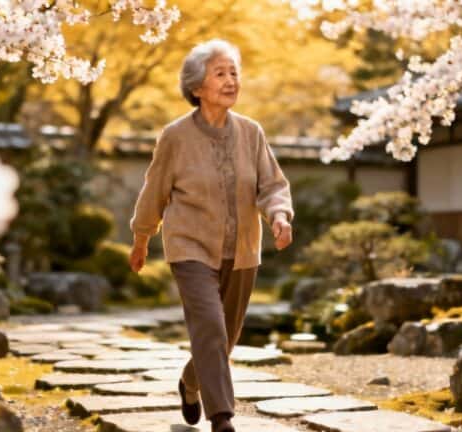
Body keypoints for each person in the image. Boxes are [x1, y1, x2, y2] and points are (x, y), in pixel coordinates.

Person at [128, 39, 293, 432]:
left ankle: (190, 381)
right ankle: (222, 417)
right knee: (211, 329)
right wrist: (141, 238)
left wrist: (280, 216)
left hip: (243, 251)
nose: (231, 80)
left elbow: (271, 185)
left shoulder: (252, 133)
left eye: (234, 72)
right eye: (220, 73)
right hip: (190, 247)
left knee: (225, 336)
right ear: (197, 87)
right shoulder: (175, 137)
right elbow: (155, 191)